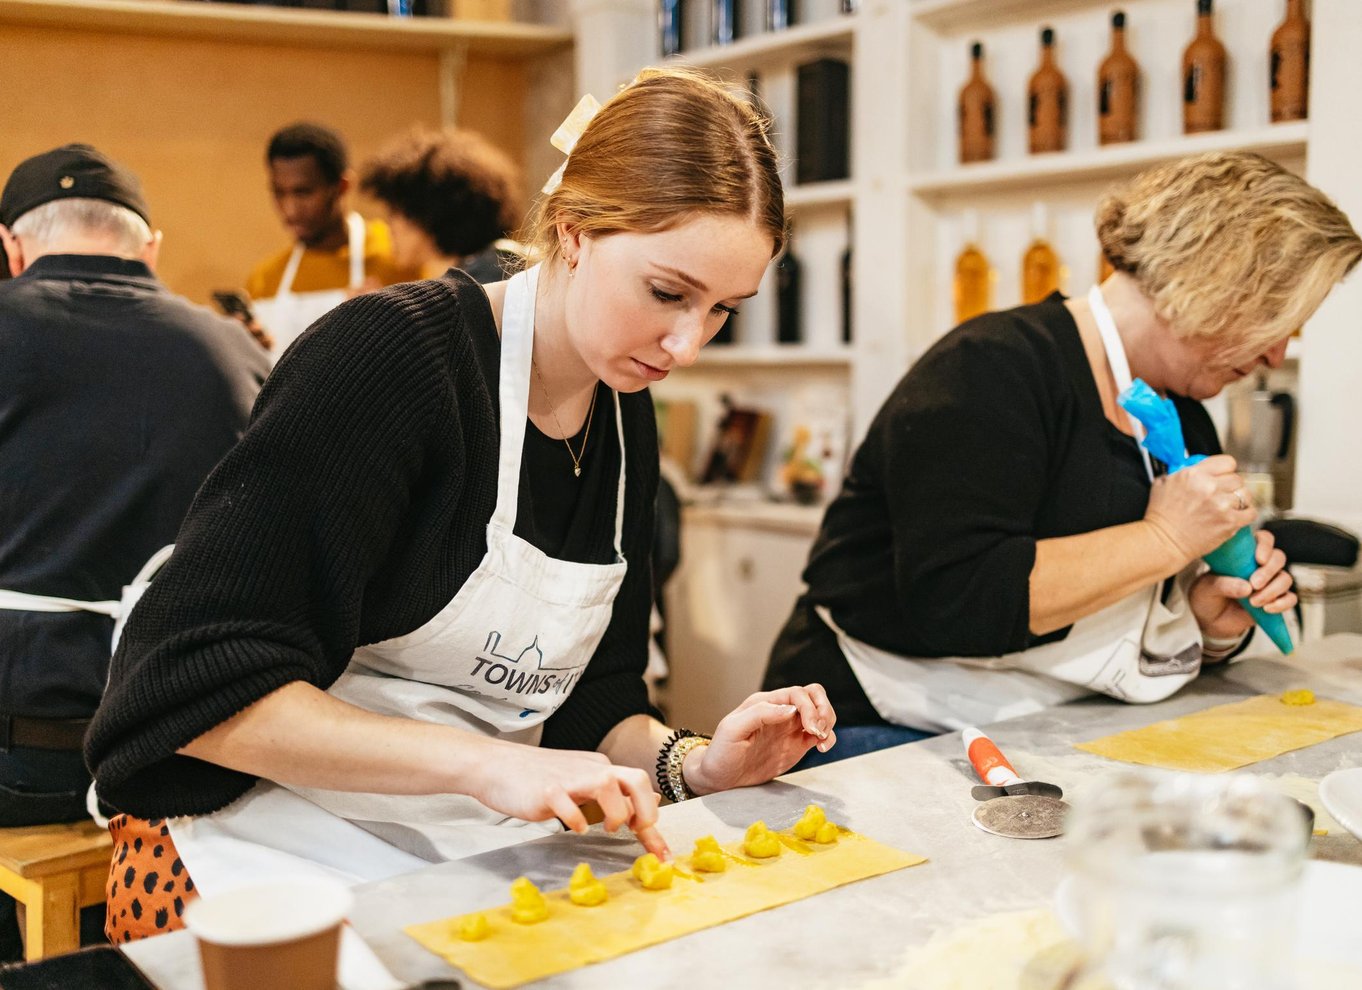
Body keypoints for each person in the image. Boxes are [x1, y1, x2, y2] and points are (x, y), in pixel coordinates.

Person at [87, 67, 837, 943]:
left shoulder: (625, 416)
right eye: (668, 293)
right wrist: (485, 767)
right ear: (575, 230)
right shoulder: (393, 362)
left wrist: (700, 765)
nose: (688, 345)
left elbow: (591, 705)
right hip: (254, 854)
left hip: (456, 854)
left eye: (722, 312)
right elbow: (183, 689)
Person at [764, 152, 1362, 766]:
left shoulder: (1184, 415)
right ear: (1212, 278)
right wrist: (1165, 535)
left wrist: (1208, 624)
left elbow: (1128, 608)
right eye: (1276, 321)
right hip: (871, 722)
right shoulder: (990, 368)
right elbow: (958, 601)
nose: (1277, 354)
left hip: (1049, 720)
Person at [0, 144, 267, 959]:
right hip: (185, 757)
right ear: (150, 246)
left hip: (21, 760)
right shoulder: (239, 352)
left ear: (11, 247)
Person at [245, 122, 417, 357]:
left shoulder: (400, 256)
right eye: (278, 193)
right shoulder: (264, 280)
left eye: (303, 192)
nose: (290, 210)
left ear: (342, 187)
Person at [359, 125, 527, 284]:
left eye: (396, 212)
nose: (390, 225)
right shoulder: (474, 276)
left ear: (430, 211)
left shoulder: (491, 275)